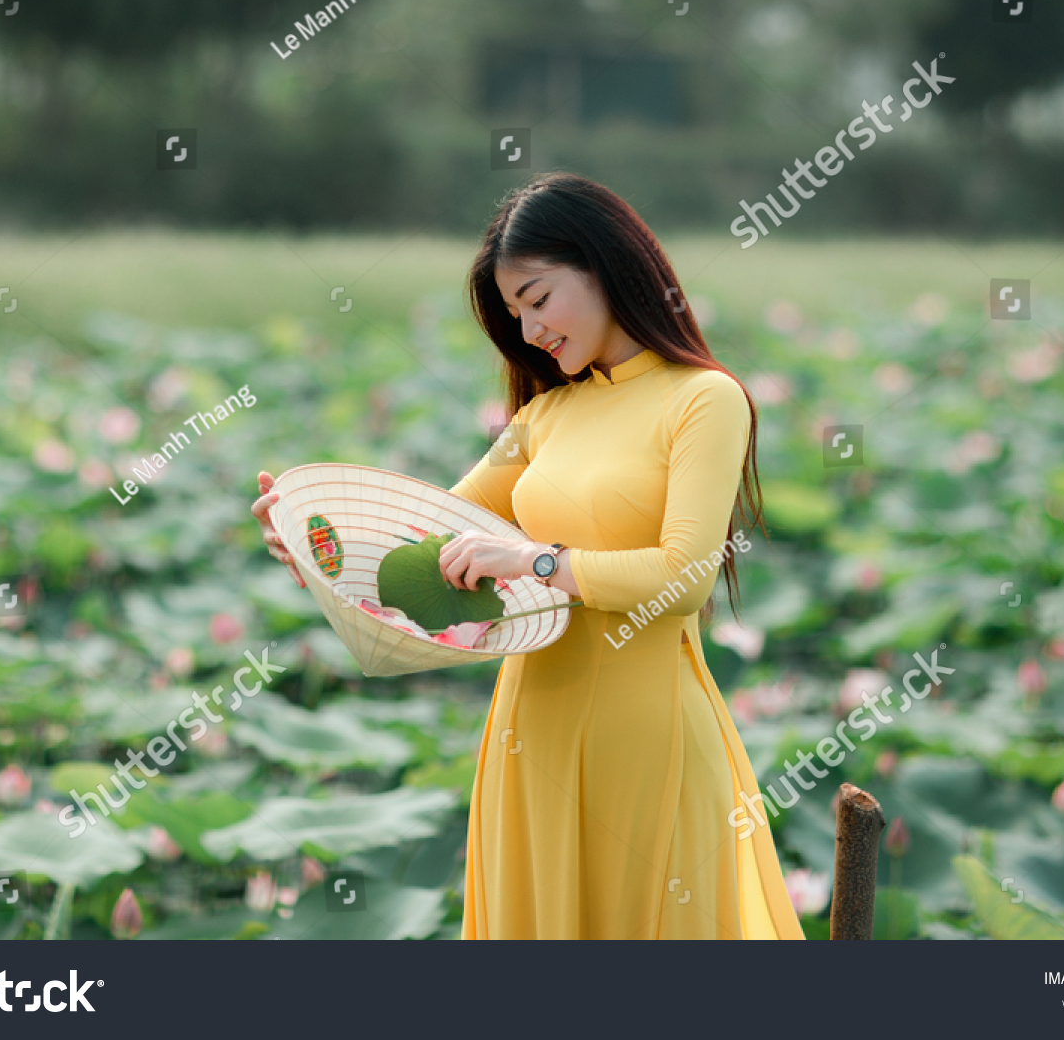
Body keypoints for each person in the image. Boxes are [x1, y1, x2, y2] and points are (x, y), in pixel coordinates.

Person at [252, 171, 803, 940]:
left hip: (643, 734)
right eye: (515, 314)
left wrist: (535, 560)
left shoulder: (702, 400)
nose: (531, 330)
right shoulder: (545, 415)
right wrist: (313, 541)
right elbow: (427, 541)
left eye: (539, 299)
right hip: (529, 728)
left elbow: (682, 576)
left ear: (606, 264)